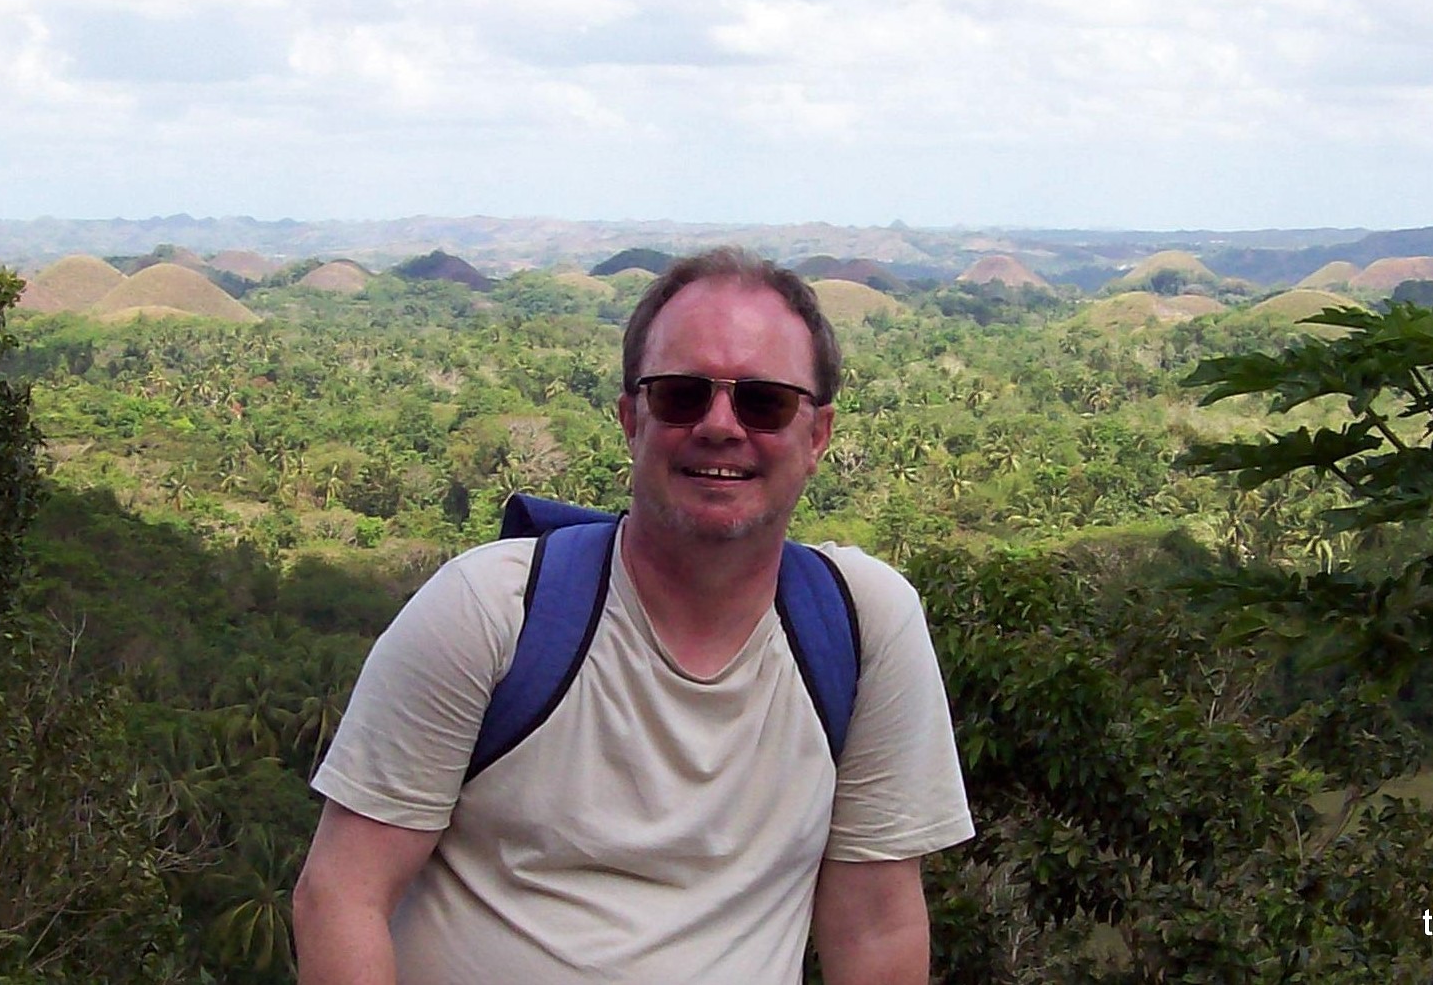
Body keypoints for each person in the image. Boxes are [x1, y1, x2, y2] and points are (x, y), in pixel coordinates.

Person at [292, 247, 973, 984]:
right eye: (681, 395)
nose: (720, 425)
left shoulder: (861, 625)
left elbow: (875, 925)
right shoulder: (491, 609)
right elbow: (342, 893)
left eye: (763, 401)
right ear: (630, 418)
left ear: (817, 435)